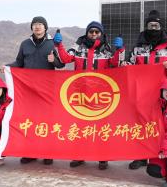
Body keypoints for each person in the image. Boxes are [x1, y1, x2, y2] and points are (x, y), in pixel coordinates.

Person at [53, 20, 124, 170]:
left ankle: (102, 158)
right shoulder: (78, 47)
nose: (93, 34)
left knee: (101, 127)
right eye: (91, 32)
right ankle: (79, 156)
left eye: (96, 32)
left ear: (101, 34)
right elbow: (65, 59)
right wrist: (58, 45)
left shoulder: (107, 49)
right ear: (87, 33)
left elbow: (116, 64)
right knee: (80, 126)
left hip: (101, 96)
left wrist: (120, 50)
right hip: (80, 96)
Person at [0, 16, 64, 165]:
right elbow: (19, 62)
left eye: (40, 24)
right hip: (28, 90)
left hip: (46, 90)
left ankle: (47, 153)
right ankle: (30, 153)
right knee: (30, 121)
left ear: (45, 27)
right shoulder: (25, 44)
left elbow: (61, 64)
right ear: (32, 27)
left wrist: (53, 60)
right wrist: (7, 67)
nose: (37, 27)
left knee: (46, 121)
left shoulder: (53, 44)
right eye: (35, 24)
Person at [127, 9, 167, 170]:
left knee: (159, 125)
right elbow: (131, 65)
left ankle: (158, 155)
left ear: (161, 27)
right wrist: (125, 65)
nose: (153, 28)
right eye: (150, 25)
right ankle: (140, 156)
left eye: (156, 25)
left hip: (162, 95)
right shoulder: (138, 46)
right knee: (141, 125)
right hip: (142, 94)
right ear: (146, 27)